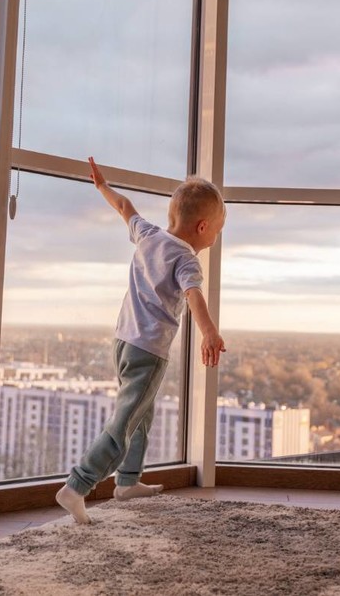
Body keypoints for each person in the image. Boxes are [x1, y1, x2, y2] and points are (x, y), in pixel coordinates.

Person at [55, 156, 226, 524]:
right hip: (149, 351)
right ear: (202, 226)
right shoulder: (187, 259)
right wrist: (209, 331)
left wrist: (102, 186)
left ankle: (127, 482)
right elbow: (194, 295)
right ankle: (76, 485)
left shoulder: (148, 235)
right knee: (123, 424)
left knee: (141, 415)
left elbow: (124, 207)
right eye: (217, 230)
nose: (216, 237)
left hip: (123, 343)